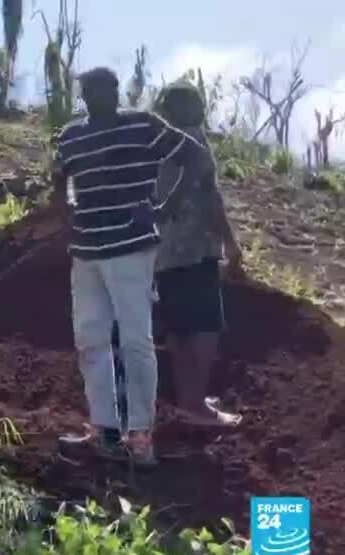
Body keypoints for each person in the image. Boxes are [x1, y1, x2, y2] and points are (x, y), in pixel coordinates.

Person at [52, 67, 204, 467]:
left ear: (117, 91)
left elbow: (195, 156)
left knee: (136, 342)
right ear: (83, 96)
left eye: (105, 89)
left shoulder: (144, 126)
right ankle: (103, 431)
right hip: (85, 251)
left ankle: (140, 437)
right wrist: (64, 206)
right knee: (90, 341)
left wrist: (165, 206)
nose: (96, 96)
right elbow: (59, 177)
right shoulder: (71, 136)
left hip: (131, 248)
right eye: (89, 91)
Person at [153, 82, 244, 428]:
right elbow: (210, 197)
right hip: (196, 247)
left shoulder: (158, 145)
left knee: (178, 326)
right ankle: (196, 407)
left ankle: (188, 398)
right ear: (192, 109)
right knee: (205, 325)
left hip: (163, 250)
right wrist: (231, 244)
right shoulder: (195, 141)